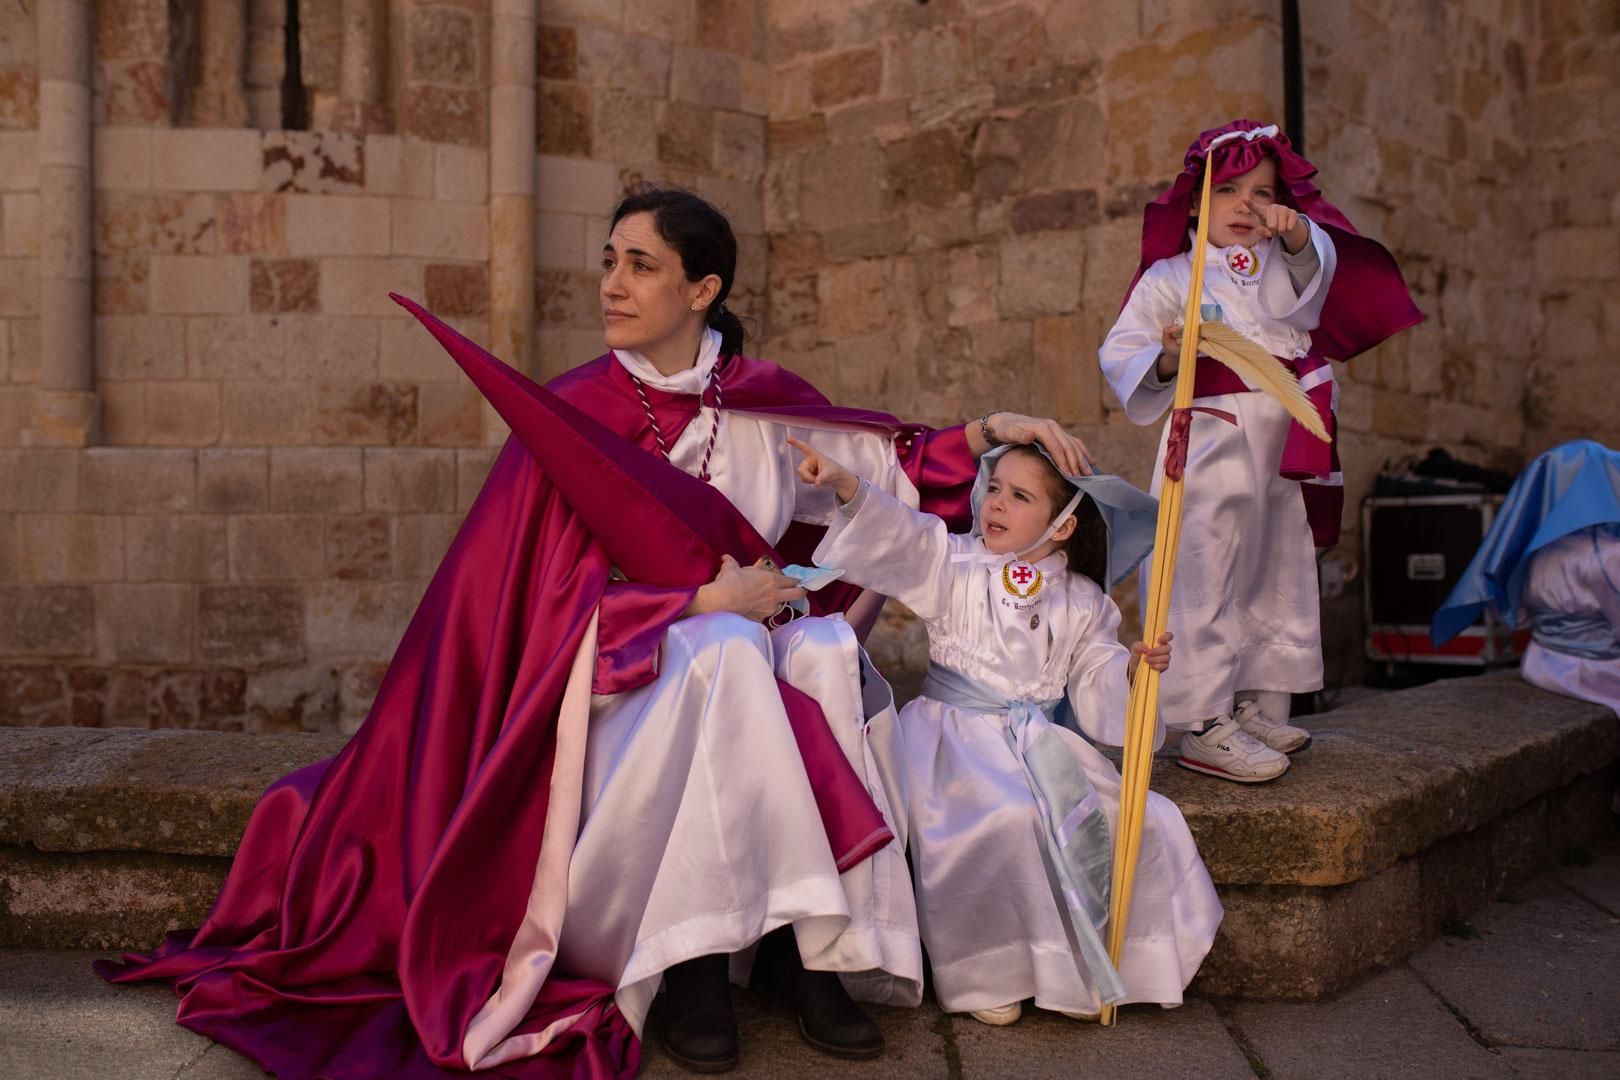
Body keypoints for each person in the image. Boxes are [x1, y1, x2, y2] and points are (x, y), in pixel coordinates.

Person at [98, 184, 1094, 1079]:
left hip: (720, 682)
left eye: (641, 264)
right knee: (726, 654)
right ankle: (702, 961)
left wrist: (985, 430)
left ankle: (798, 954)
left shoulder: (753, 397)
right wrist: (699, 606)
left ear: (702, 289)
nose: (613, 284)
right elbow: (527, 609)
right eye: (609, 262)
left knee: (823, 650)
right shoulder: (573, 414)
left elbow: (886, 460)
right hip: (610, 696)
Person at [789, 435, 1222, 1024]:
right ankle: (986, 971)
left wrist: (1134, 672)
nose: (996, 504)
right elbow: (902, 537)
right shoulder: (954, 563)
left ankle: (1102, 961)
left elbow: (1097, 679)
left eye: (1020, 497)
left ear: (1063, 525)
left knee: (1148, 818)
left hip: (1039, 744)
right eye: (993, 488)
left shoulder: (1086, 602)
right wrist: (846, 485)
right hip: (952, 742)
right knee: (1004, 815)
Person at [1099, 119, 1422, 783]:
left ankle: (1249, 701)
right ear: (1195, 200)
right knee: (1202, 571)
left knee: (1271, 570)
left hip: (1279, 446)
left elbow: (1303, 297)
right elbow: (1120, 352)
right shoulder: (1171, 276)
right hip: (1211, 437)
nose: (1246, 205)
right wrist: (1167, 352)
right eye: (1229, 190)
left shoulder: (1277, 264)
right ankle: (1200, 719)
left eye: (1264, 192)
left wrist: (1300, 235)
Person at [1433, 439, 1620, 721]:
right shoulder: (1608, 554)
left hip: (1539, 663)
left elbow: (1514, 615)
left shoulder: (1533, 550)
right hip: (1595, 675)